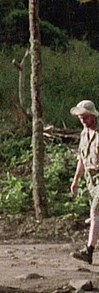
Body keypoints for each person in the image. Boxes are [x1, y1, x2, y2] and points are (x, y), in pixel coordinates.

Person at [70, 99, 99, 264]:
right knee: (96, 215)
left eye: (85, 117)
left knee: (95, 213)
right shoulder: (83, 134)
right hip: (91, 181)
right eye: (81, 118)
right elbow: (82, 159)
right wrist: (76, 180)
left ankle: (89, 251)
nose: (83, 120)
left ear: (93, 116)